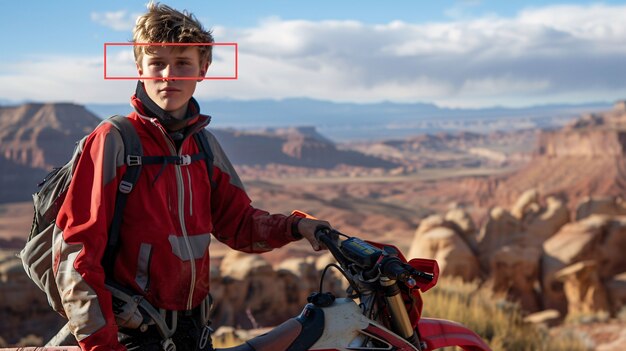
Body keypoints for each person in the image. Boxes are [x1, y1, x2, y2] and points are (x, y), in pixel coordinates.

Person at [52, 2, 331, 350]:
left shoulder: (202, 145)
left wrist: (295, 226)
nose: (169, 75)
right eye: (157, 63)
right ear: (140, 68)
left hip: (193, 332)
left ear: (203, 69)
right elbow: (77, 254)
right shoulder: (114, 141)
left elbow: (239, 225)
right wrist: (101, 345)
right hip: (132, 336)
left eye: (183, 63)